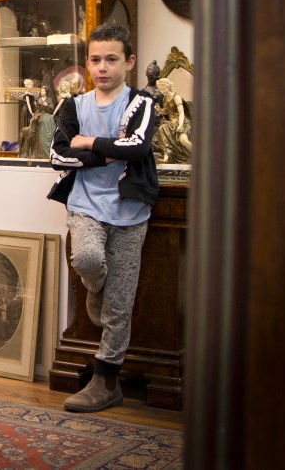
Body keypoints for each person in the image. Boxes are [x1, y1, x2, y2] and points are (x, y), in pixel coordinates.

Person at [47, 22, 159, 413]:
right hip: (85, 204)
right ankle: (95, 287)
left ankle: (107, 381)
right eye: (95, 60)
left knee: (120, 304)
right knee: (87, 259)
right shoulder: (73, 106)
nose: (102, 67)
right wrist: (109, 153)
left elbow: (137, 146)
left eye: (111, 59)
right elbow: (58, 155)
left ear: (129, 62)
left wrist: (89, 143)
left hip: (131, 212)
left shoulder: (141, 103)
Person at [153, 77, 193, 163]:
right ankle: (167, 155)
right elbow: (167, 111)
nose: (162, 91)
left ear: (168, 87)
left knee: (183, 140)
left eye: (163, 89)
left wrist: (181, 125)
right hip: (172, 123)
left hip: (182, 122)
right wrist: (160, 110)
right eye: (160, 90)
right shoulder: (165, 98)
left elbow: (181, 113)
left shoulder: (176, 97)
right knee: (162, 128)